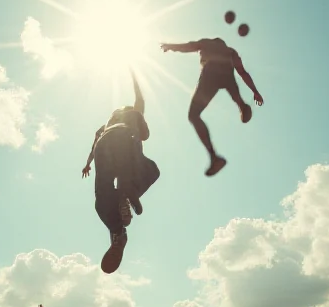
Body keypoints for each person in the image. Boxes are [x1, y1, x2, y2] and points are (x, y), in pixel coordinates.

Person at [82, 71, 159, 275]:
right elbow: (140, 99)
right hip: (125, 140)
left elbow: (95, 141)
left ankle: (117, 233)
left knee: (102, 197)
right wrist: (135, 77)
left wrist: (88, 163)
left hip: (102, 148)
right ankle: (126, 195)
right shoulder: (134, 114)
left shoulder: (106, 123)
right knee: (151, 170)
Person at [160, 37, 263, 177]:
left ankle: (214, 157)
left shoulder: (207, 43)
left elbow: (190, 46)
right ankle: (241, 104)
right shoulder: (230, 51)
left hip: (211, 73)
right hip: (227, 73)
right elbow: (242, 72)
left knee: (193, 115)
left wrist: (171, 46)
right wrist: (255, 91)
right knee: (231, 85)